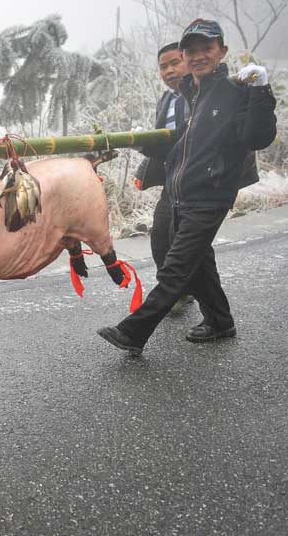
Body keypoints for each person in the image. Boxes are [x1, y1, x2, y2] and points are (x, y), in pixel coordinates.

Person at [97, 19, 277, 354]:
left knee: (176, 267)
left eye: (207, 48)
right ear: (184, 54)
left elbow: (257, 137)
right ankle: (221, 322)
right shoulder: (193, 93)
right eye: (191, 50)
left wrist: (261, 90)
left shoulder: (234, 91)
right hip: (182, 192)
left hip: (211, 193)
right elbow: (184, 144)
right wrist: (145, 147)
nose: (198, 56)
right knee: (198, 262)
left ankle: (134, 332)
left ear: (222, 51)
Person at [133, 41, 194, 314]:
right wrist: (143, 168)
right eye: (163, 66)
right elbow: (166, 143)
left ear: (188, 60)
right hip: (174, 181)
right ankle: (185, 292)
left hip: (197, 181)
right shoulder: (168, 99)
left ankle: (175, 295)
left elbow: (186, 139)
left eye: (174, 63)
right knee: (161, 236)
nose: (169, 71)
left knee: (185, 243)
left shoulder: (201, 94)